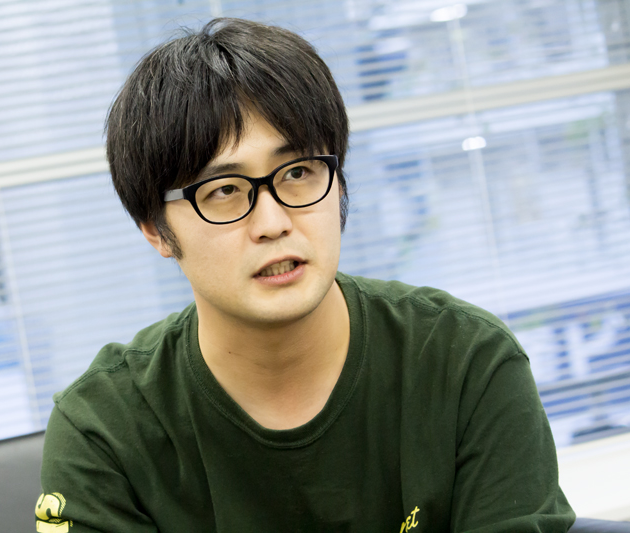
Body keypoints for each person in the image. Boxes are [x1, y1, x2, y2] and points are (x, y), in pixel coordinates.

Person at [36, 18, 575, 532]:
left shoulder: (465, 362)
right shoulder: (103, 430)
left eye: (298, 172)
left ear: (338, 183)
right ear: (156, 229)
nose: (273, 222)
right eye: (223, 190)